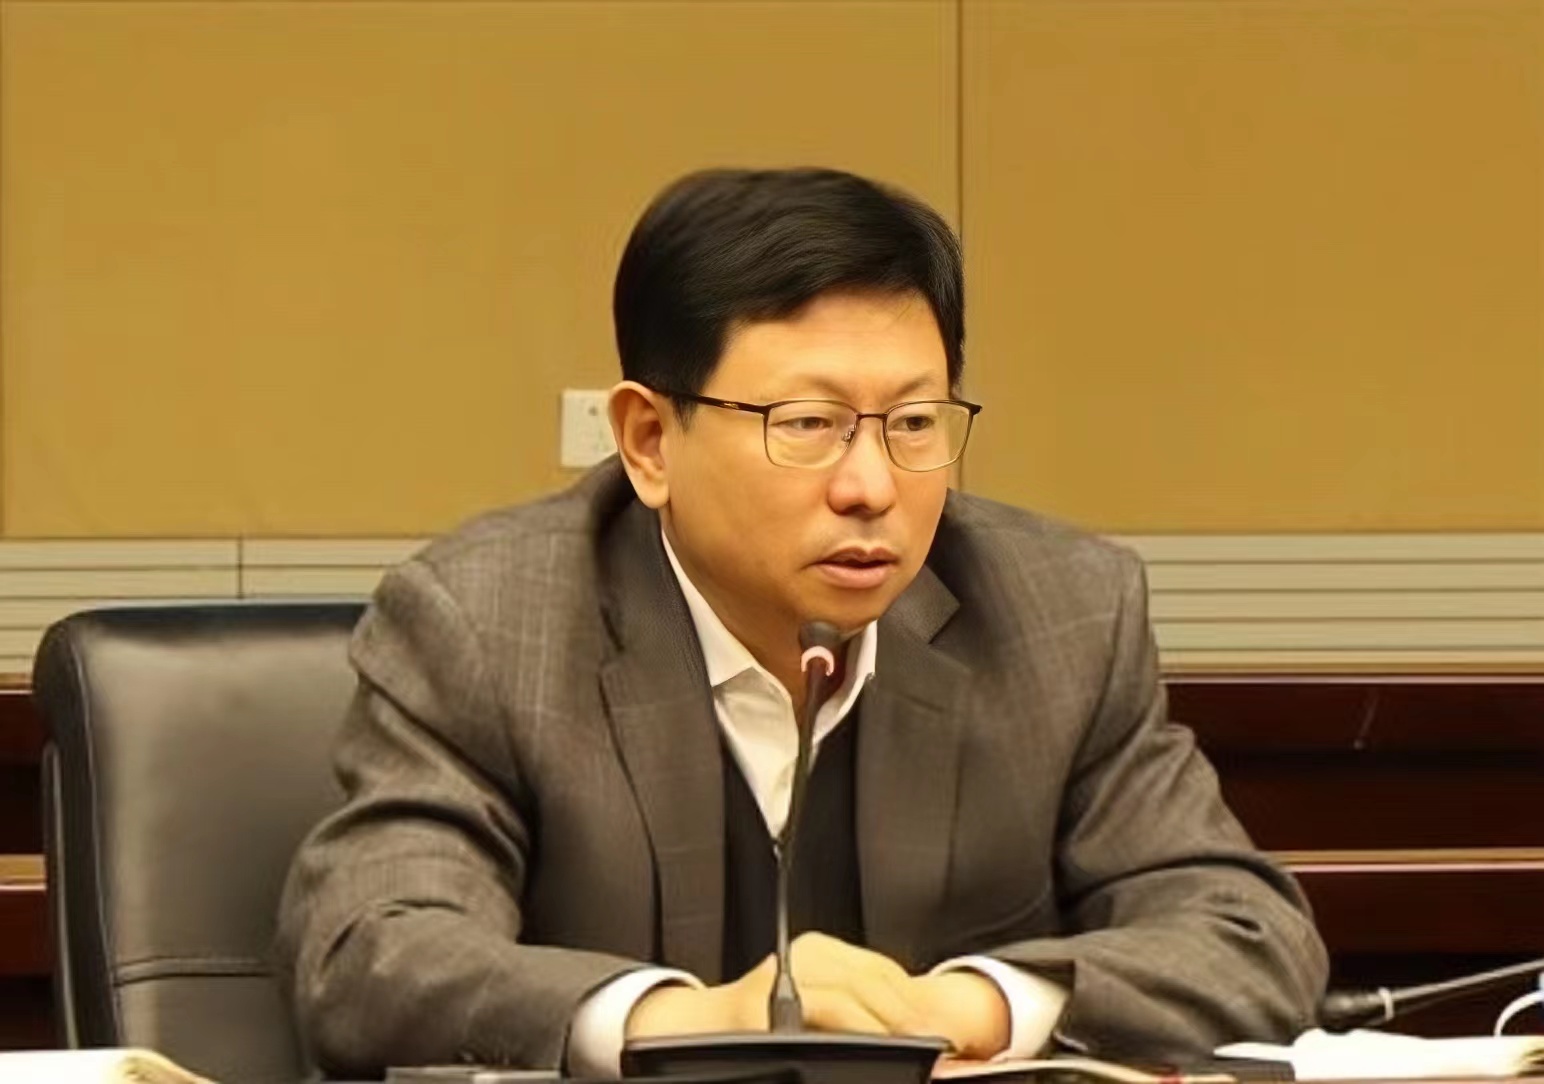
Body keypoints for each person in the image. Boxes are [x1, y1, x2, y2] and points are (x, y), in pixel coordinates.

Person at [276, 167, 1328, 1080]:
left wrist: (970, 1005)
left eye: (913, 422)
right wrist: (679, 1020)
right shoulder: (487, 623)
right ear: (648, 440)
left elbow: (1245, 936)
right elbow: (370, 953)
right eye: (809, 424)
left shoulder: (1061, 613)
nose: (871, 485)